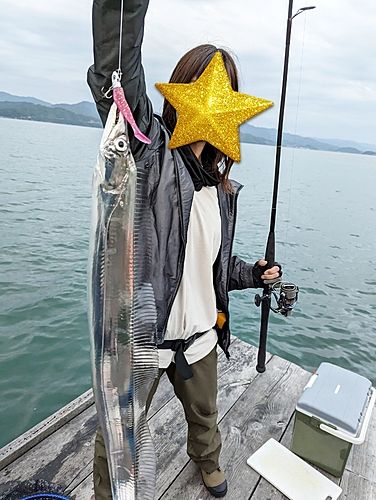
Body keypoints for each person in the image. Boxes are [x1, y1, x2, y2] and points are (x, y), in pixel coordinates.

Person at [87, 0, 281, 498]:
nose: (217, 103)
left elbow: (209, 266)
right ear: (182, 92)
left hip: (199, 337)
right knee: (118, 435)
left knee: (205, 415)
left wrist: (253, 274)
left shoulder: (222, 190)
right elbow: (117, 77)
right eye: (207, 89)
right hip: (146, 340)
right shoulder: (151, 153)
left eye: (228, 95)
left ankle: (208, 461)